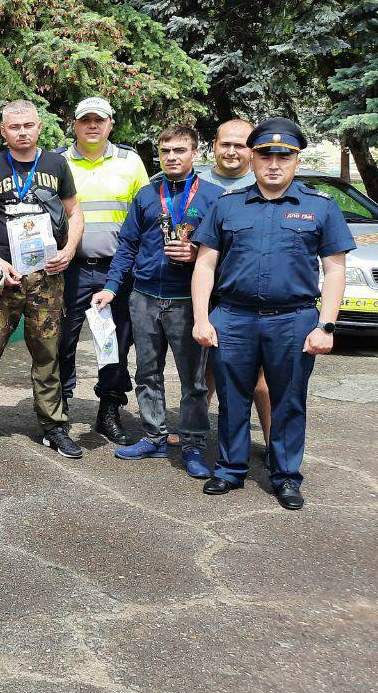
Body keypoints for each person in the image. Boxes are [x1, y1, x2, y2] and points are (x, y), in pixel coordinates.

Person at [192, 118, 353, 510]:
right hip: (234, 317)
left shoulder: (320, 207)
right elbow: (205, 265)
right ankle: (230, 469)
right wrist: (201, 318)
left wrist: (326, 326)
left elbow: (335, 271)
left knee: (289, 401)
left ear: (296, 161)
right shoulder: (227, 206)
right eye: (265, 156)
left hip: (293, 320)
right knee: (232, 398)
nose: (274, 164)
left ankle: (286, 476)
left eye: (284, 156)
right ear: (253, 159)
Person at [92, 125, 223, 479]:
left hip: (187, 301)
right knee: (147, 373)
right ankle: (154, 436)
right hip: (144, 298)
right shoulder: (147, 195)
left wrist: (195, 254)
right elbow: (127, 245)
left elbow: (226, 251)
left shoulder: (214, 197)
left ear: (195, 153)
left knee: (193, 380)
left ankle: (193, 443)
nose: (171, 157)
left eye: (179, 150)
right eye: (165, 151)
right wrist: (111, 287)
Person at [0, 100, 85, 457]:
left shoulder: (55, 164)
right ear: (3, 131)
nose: (22, 132)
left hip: (46, 277)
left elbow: (74, 211)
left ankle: (53, 426)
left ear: (39, 127)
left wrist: (70, 249)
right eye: (14, 127)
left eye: (28, 125)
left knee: (47, 353)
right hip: (3, 279)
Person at [56, 96, 149, 444]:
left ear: (111, 124)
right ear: (75, 125)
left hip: (118, 271)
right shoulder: (59, 161)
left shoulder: (130, 162)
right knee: (61, 341)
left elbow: (145, 217)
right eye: (85, 120)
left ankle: (109, 410)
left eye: (99, 119)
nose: (92, 125)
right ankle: (59, 408)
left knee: (115, 344)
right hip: (70, 269)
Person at [195, 119, 272, 446]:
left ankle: (272, 442)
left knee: (261, 377)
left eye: (239, 145)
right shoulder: (195, 183)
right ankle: (194, 429)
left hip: (250, 293)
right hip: (206, 289)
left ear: (252, 150)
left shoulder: (265, 183)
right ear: (214, 145)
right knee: (207, 367)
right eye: (224, 144)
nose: (231, 151)